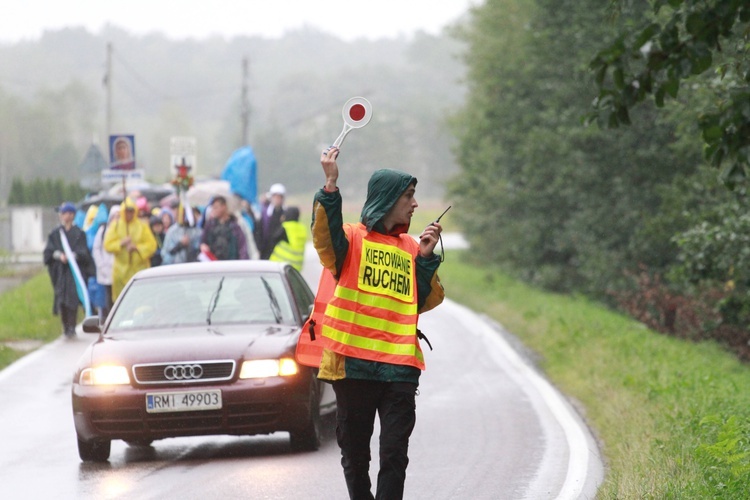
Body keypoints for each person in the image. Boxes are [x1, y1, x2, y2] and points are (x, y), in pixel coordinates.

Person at [312, 146, 445, 500]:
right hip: (353, 366)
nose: (415, 204)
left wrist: (427, 258)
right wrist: (330, 184)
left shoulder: (412, 248)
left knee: (394, 456)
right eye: (409, 196)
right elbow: (325, 239)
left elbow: (424, 299)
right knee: (356, 456)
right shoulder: (352, 239)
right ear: (388, 199)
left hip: (399, 370)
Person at [43, 202, 96, 338]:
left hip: (74, 273)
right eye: (62, 213)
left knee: (72, 300)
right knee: (61, 299)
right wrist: (59, 256)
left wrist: (73, 256)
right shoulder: (55, 234)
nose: (63, 216)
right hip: (60, 272)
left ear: (72, 215)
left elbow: (84, 254)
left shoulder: (79, 234)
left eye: (65, 213)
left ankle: (71, 327)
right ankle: (65, 327)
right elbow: (48, 252)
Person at [103, 197, 158, 300]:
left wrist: (137, 248)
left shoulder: (142, 226)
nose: (129, 214)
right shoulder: (115, 226)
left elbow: (152, 246)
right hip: (120, 272)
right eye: (126, 211)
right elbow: (107, 245)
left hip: (139, 271)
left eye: (131, 211)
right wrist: (121, 243)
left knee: (141, 299)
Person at [200, 195, 249, 260]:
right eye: (213, 208)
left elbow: (242, 248)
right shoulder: (210, 225)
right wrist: (203, 246)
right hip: (213, 265)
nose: (214, 210)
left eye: (216, 207)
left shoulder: (234, 226)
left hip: (231, 265)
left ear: (224, 207)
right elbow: (203, 241)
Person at [92, 205, 118, 318]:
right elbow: (96, 248)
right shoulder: (103, 231)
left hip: (120, 270)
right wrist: (101, 265)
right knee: (108, 296)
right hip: (107, 270)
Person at [269, 206, 307, 271]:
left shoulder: (285, 227)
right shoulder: (302, 229)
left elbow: (273, 240)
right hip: (297, 267)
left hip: (281, 265)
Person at [254, 183, 286, 259]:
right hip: (266, 252)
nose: (277, 199)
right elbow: (259, 232)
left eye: (279, 197)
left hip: (281, 252)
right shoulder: (264, 214)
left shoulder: (286, 214)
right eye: (275, 197)